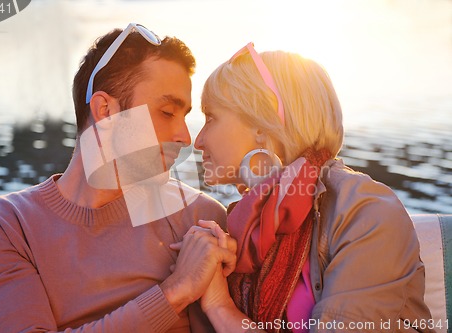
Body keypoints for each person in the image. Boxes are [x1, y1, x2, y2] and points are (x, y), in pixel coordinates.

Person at [0, 24, 235, 333]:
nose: (184, 137)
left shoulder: (201, 219)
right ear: (105, 111)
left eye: (184, 117)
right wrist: (174, 292)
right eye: (167, 112)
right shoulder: (5, 227)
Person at [179, 43, 434, 332]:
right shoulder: (245, 222)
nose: (197, 141)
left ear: (262, 125)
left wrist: (219, 306)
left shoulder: (366, 212)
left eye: (210, 117)